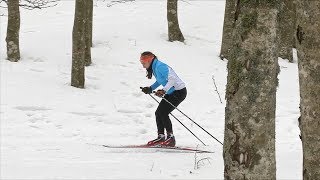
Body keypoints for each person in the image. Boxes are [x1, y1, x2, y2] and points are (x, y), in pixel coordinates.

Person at [140, 51, 187, 147]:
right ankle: (161, 136)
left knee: (163, 113)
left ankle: (170, 138)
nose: (143, 66)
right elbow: (160, 80)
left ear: (149, 60)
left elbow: (172, 79)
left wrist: (164, 90)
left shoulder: (159, 66)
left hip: (179, 92)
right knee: (158, 113)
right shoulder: (155, 67)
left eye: (144, 63)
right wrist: (151, 88)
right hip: (171, 92)